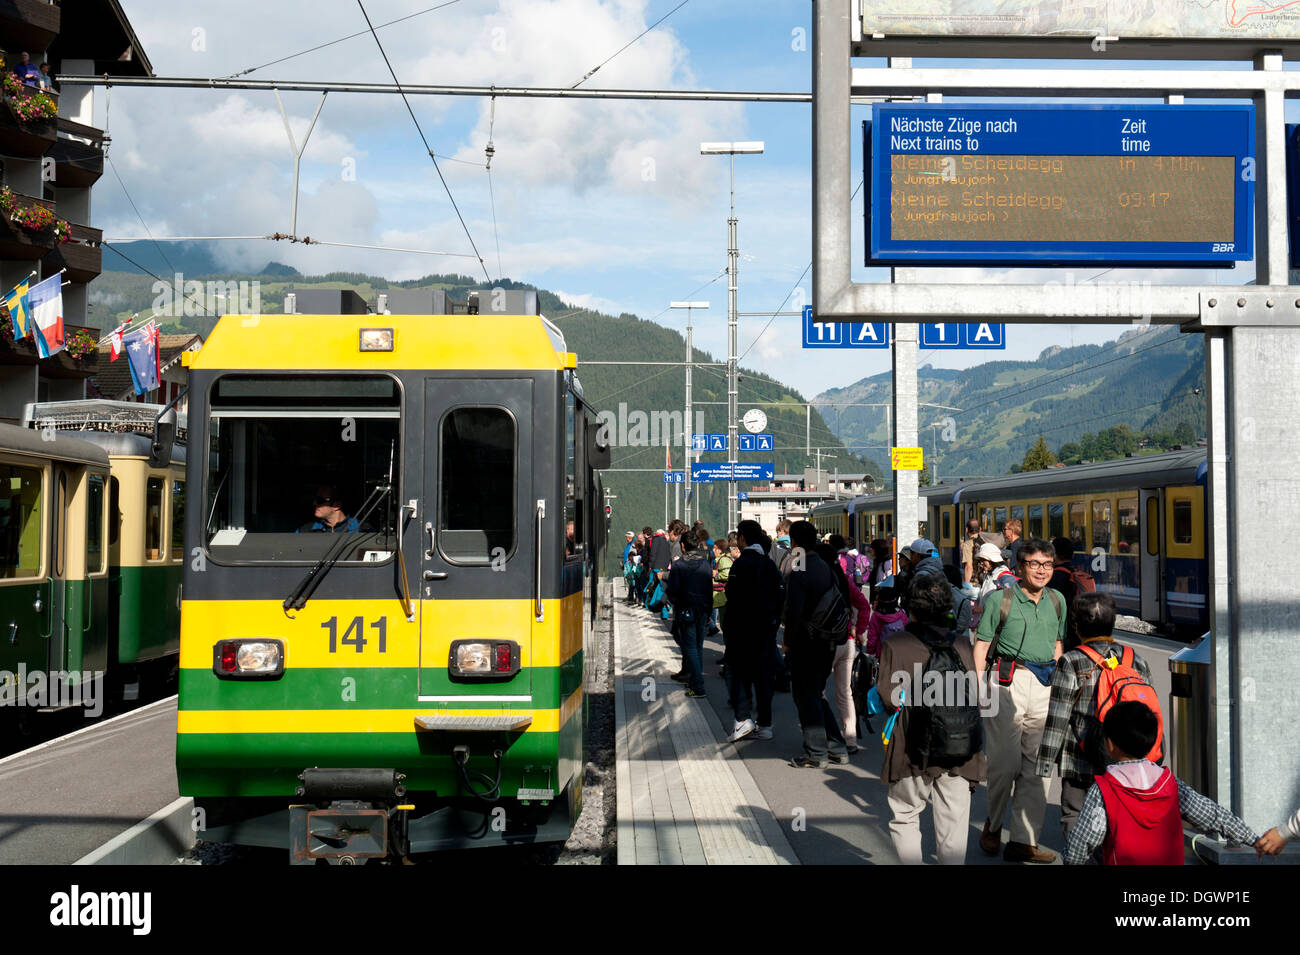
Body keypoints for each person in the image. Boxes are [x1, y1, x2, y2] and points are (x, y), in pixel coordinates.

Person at [1064, 702, 1262, 865]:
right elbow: (1213, 815)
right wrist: (1254, 839)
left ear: (1109, 744)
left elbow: (1082, 844)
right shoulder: (1170, 784)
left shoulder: (1104, 790)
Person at [877, 573, 986, 864]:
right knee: (954, 820)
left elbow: (888, 698)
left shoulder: (896, 644)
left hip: (911, 747)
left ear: (910, 606)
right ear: (948, 608)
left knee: (905, 815)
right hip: (959, 747)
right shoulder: (963, 644)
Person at [973, 538, 1066, 863]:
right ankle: (994, 825)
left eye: (1047, 564)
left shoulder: (1057, 600)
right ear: (1019, 567)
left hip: (1044, 685)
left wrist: (1058, 682)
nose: (1042, 571)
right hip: (1005, 682)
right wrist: (979, 687)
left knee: (1039, 768)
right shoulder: (1001, 599)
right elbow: (982, 646)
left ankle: (1025, 840)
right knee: (1004, 764)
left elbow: (1057, 644)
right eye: (1034, 564)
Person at [1035, 592, 1154, 838]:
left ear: (1076, 627)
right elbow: (1148, 712)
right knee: (1117, 818)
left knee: (1075, 815)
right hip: (1124, 761)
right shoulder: (1136, 660)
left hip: (1079, 758)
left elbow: (1058, 717)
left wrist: (1045, 763)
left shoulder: (1071, 661)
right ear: (1112, 623)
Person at [782, 521, 850, 768]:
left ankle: (816, 753)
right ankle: (837, 747)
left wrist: (788, 642)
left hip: (807, 642)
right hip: (829, 640)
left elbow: (794, 610)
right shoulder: (823, 564)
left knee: (806, 695)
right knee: (817, 694)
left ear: (795, 542)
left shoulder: (801, 567)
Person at [723, 520, 783, 741]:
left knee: (735, 672)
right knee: (763, 677)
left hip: (742, 629)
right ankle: (765, 725)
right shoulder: (769, 564)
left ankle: (742, 719)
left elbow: (732, 595)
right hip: (766, 630)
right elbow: (779, 596)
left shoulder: (741, 564)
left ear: (743, 539)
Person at [828, 536, 870, 753]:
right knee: (845, 692)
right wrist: (859, 630)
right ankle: (851, 739)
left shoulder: (822, 581)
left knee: (816, 691)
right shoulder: (846, 581)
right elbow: (864, 606)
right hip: (849, 642)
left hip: (827, 643)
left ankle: (828, 736)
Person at [664, 529, 713, 699]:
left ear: (683, 546)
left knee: (690, 647)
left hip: (686, 609)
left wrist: (673, 602)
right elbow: (709, 589)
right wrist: (708, 612)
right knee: (698, 646)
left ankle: (698, 686)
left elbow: (673, 589)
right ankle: (694, 682)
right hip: (703, 609)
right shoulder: (705, 563)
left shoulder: (679, 565)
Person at [959, 518, 982, 585]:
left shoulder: (968, 544)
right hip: (987, 580)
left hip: (975, 581)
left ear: (966, 530)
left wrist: (967, 585)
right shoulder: (986, 540)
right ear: (980, 529)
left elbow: (969, 566)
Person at [621, 531, 637, 602]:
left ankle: (632, 597)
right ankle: (630, 596)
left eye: (628, 537)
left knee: (632, 581)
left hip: (631, 565)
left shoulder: (633, 544)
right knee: (630, 581)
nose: (627, 539)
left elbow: (633, 554)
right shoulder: (630, 544)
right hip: (627, 564)